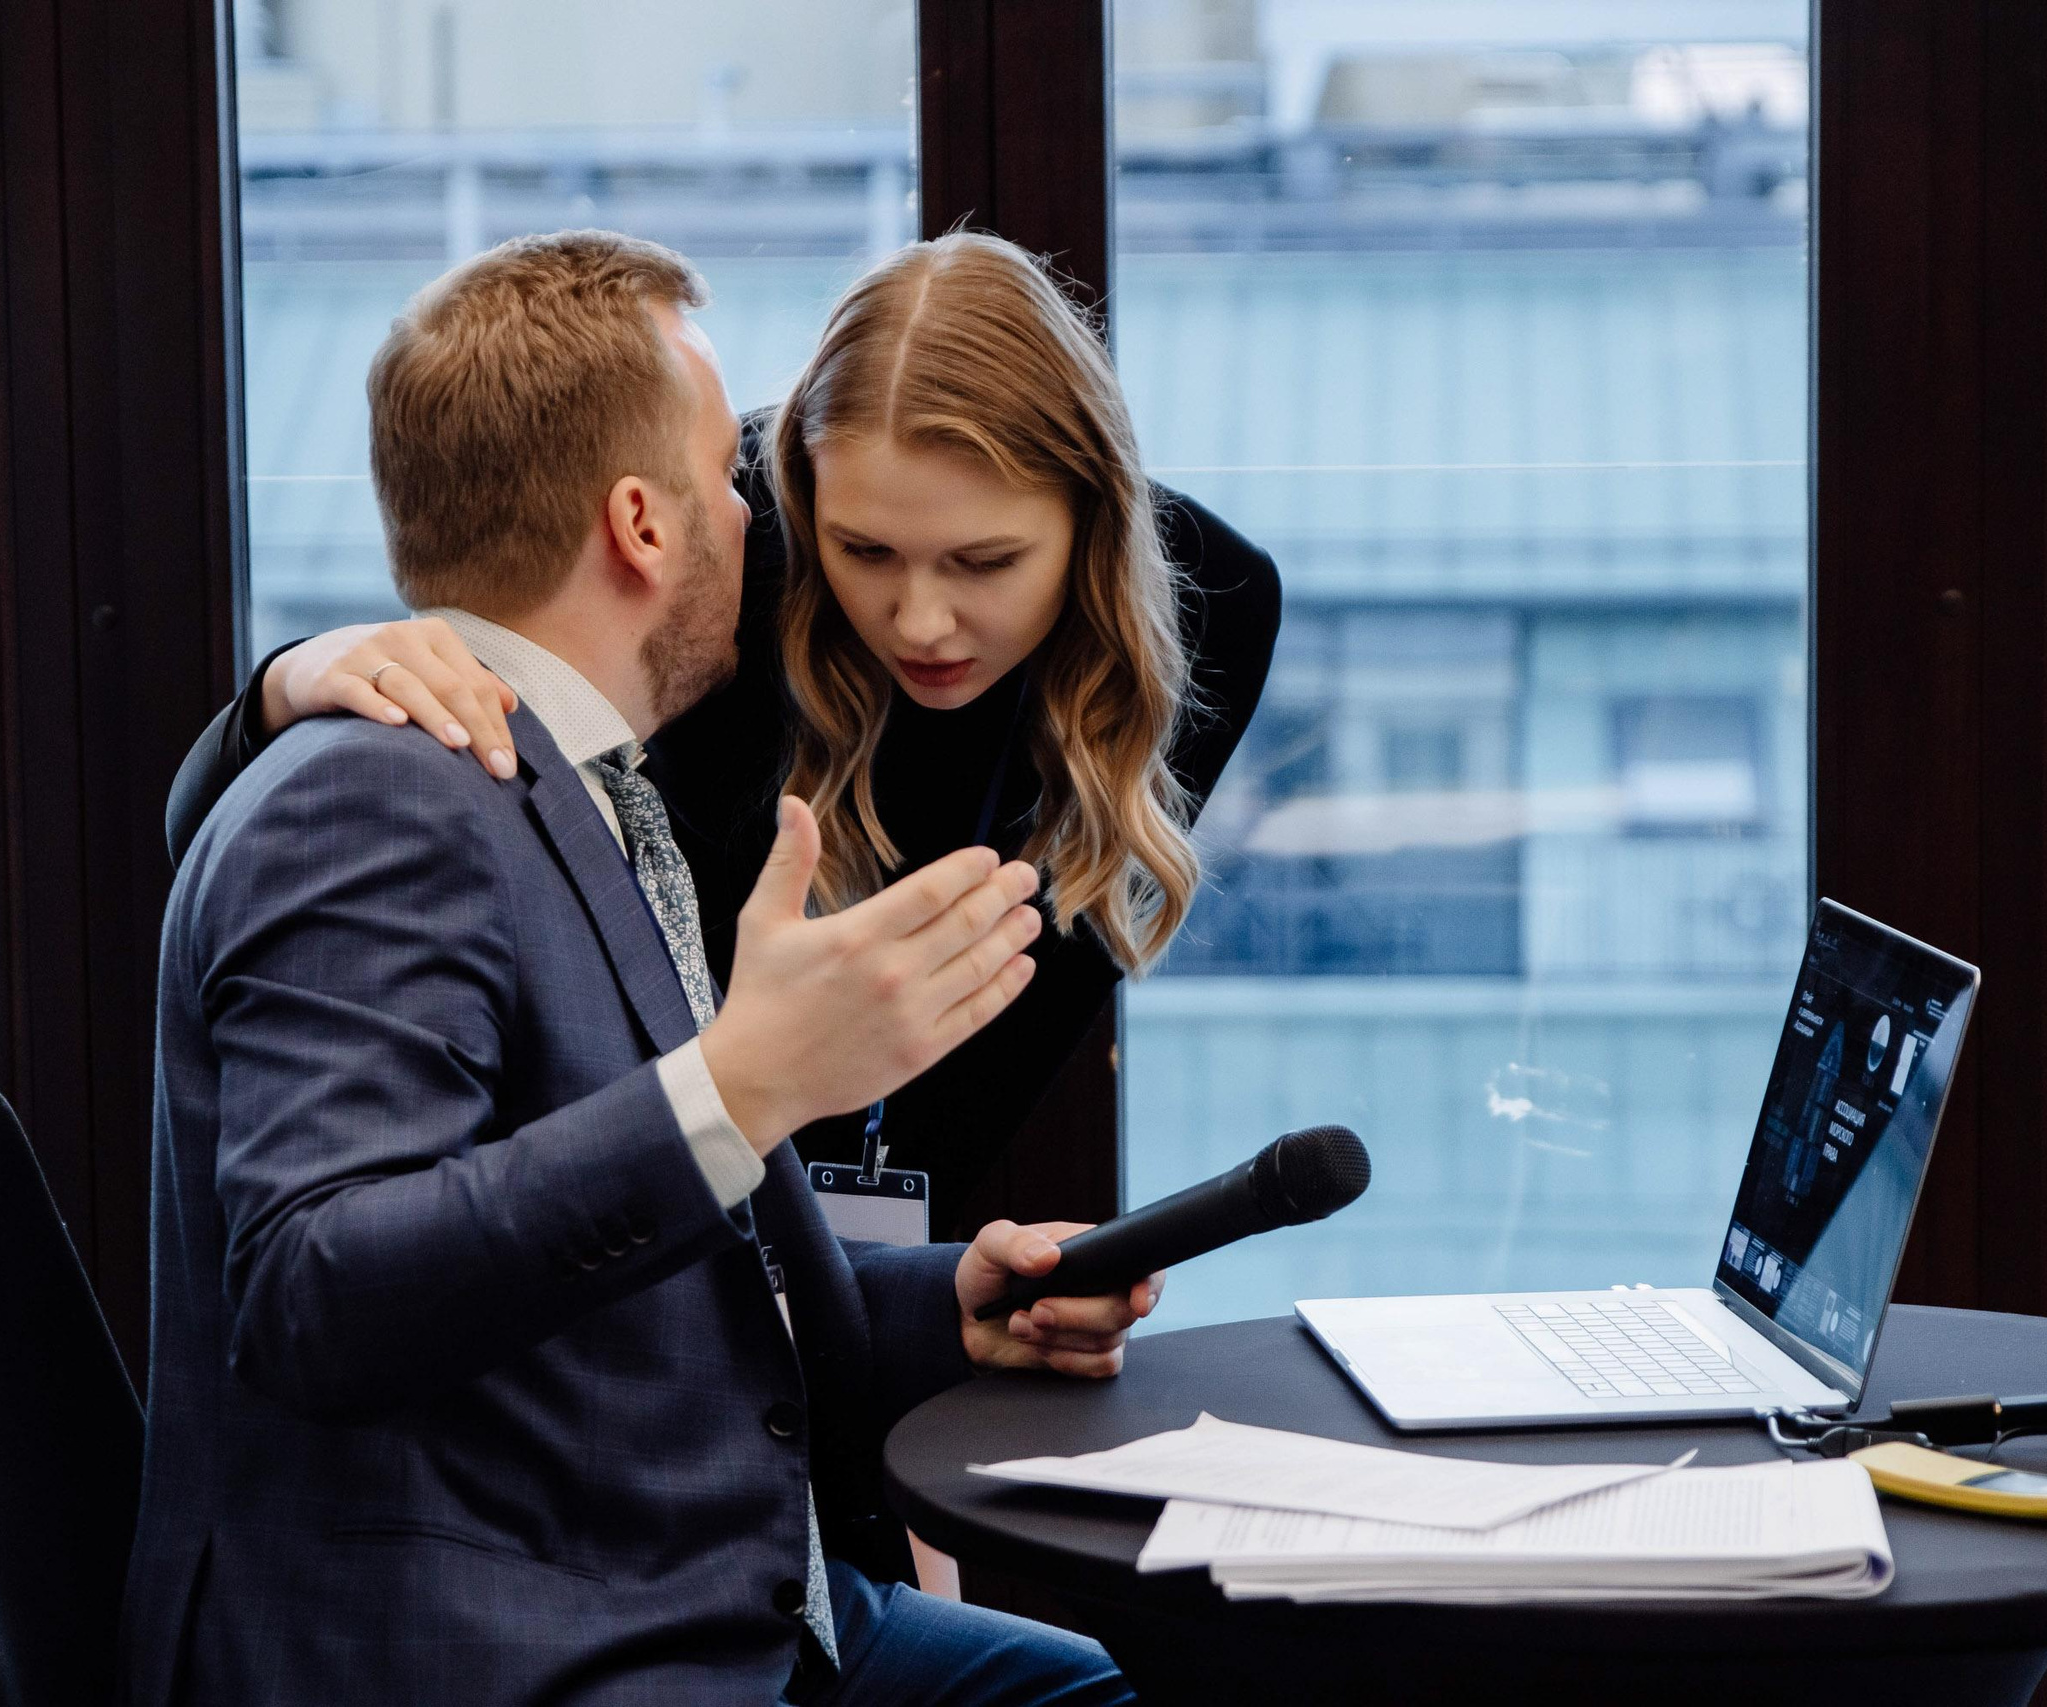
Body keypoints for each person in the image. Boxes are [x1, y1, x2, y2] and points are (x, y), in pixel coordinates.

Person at [123, 229, 1157, 1706]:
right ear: (642, 523)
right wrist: (738, 1087)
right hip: (493, 1647)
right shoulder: (383, 798)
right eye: (727, 485)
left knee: (1079, 1684)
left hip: (648, 1575)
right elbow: (312, 1293)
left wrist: (949, 1303)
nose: (754, 518)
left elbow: (682, 1269)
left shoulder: (581, 787)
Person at [167, 232, 1281, 1230]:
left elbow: (1004, 1055)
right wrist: (288, 685)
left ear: (1094, 522)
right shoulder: (718, 554)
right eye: (866, 553)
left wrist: (910, 1310)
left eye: (985, 564)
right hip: (629, 1220)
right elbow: (344, 835)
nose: (922, 621)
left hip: (853, 1273)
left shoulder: (1210, 603)